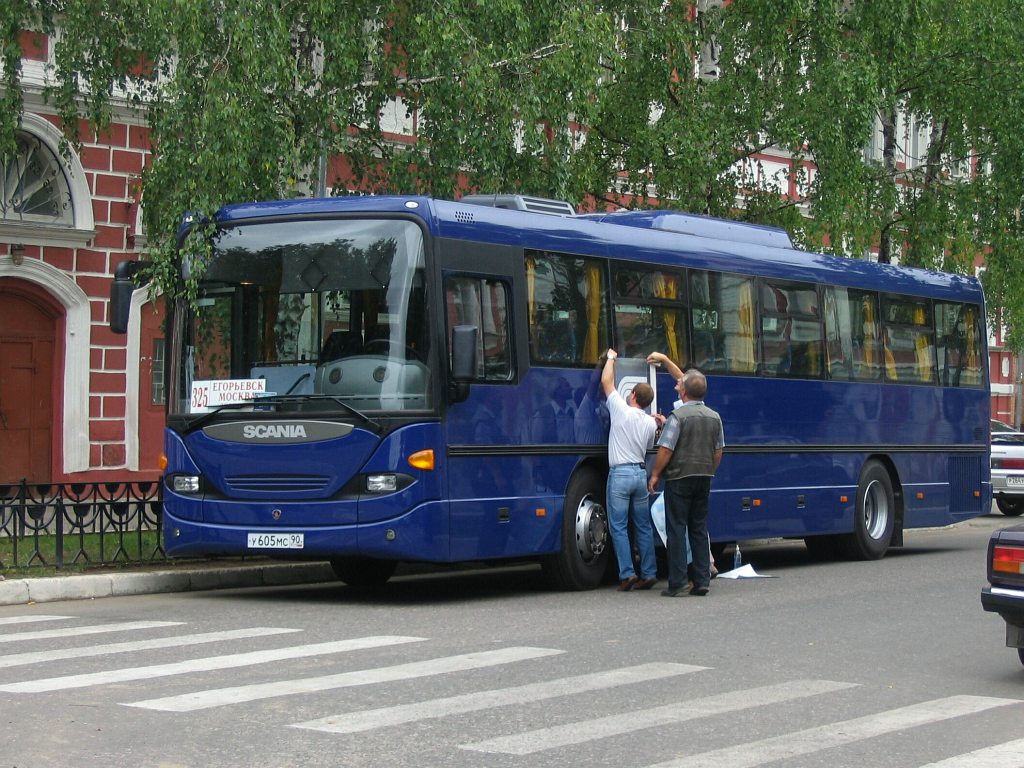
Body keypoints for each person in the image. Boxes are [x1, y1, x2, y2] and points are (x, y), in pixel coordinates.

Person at [647, 362, 724, 597]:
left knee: (677, 529)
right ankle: (701, 581)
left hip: (680, 477)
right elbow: (718, 450)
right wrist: (710, 469)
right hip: (704, 476)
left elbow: (666, 449)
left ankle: (678, 582)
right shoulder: (715, 417)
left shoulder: (678, 417)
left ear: (684, 392)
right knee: (699, 529)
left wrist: (656, 474)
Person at [601, 348, 662, 591]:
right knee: (643, 526)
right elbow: (649, 448)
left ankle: (627, 574)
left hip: (620, 475)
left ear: (633, 394)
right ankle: (649, 573)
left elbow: (606, 380)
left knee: (618, 526)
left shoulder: (620, 410)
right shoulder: (649, 422)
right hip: (639, 474)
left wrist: (611, 358)